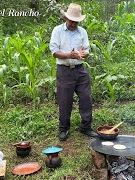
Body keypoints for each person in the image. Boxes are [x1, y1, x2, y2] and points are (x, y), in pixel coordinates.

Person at [49, 3, 98, 141]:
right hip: (64, 71)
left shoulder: (82, 32)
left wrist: (83, 54)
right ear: (66, 18)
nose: (73, 24)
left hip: (80, 69)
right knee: (65, 101)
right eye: (71, 21)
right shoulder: (57, 31)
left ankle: (86, 127)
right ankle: (64, 129)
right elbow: (54, 52)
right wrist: (69, 55)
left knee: (86, 98)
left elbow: (86, 50)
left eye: (76, 22)